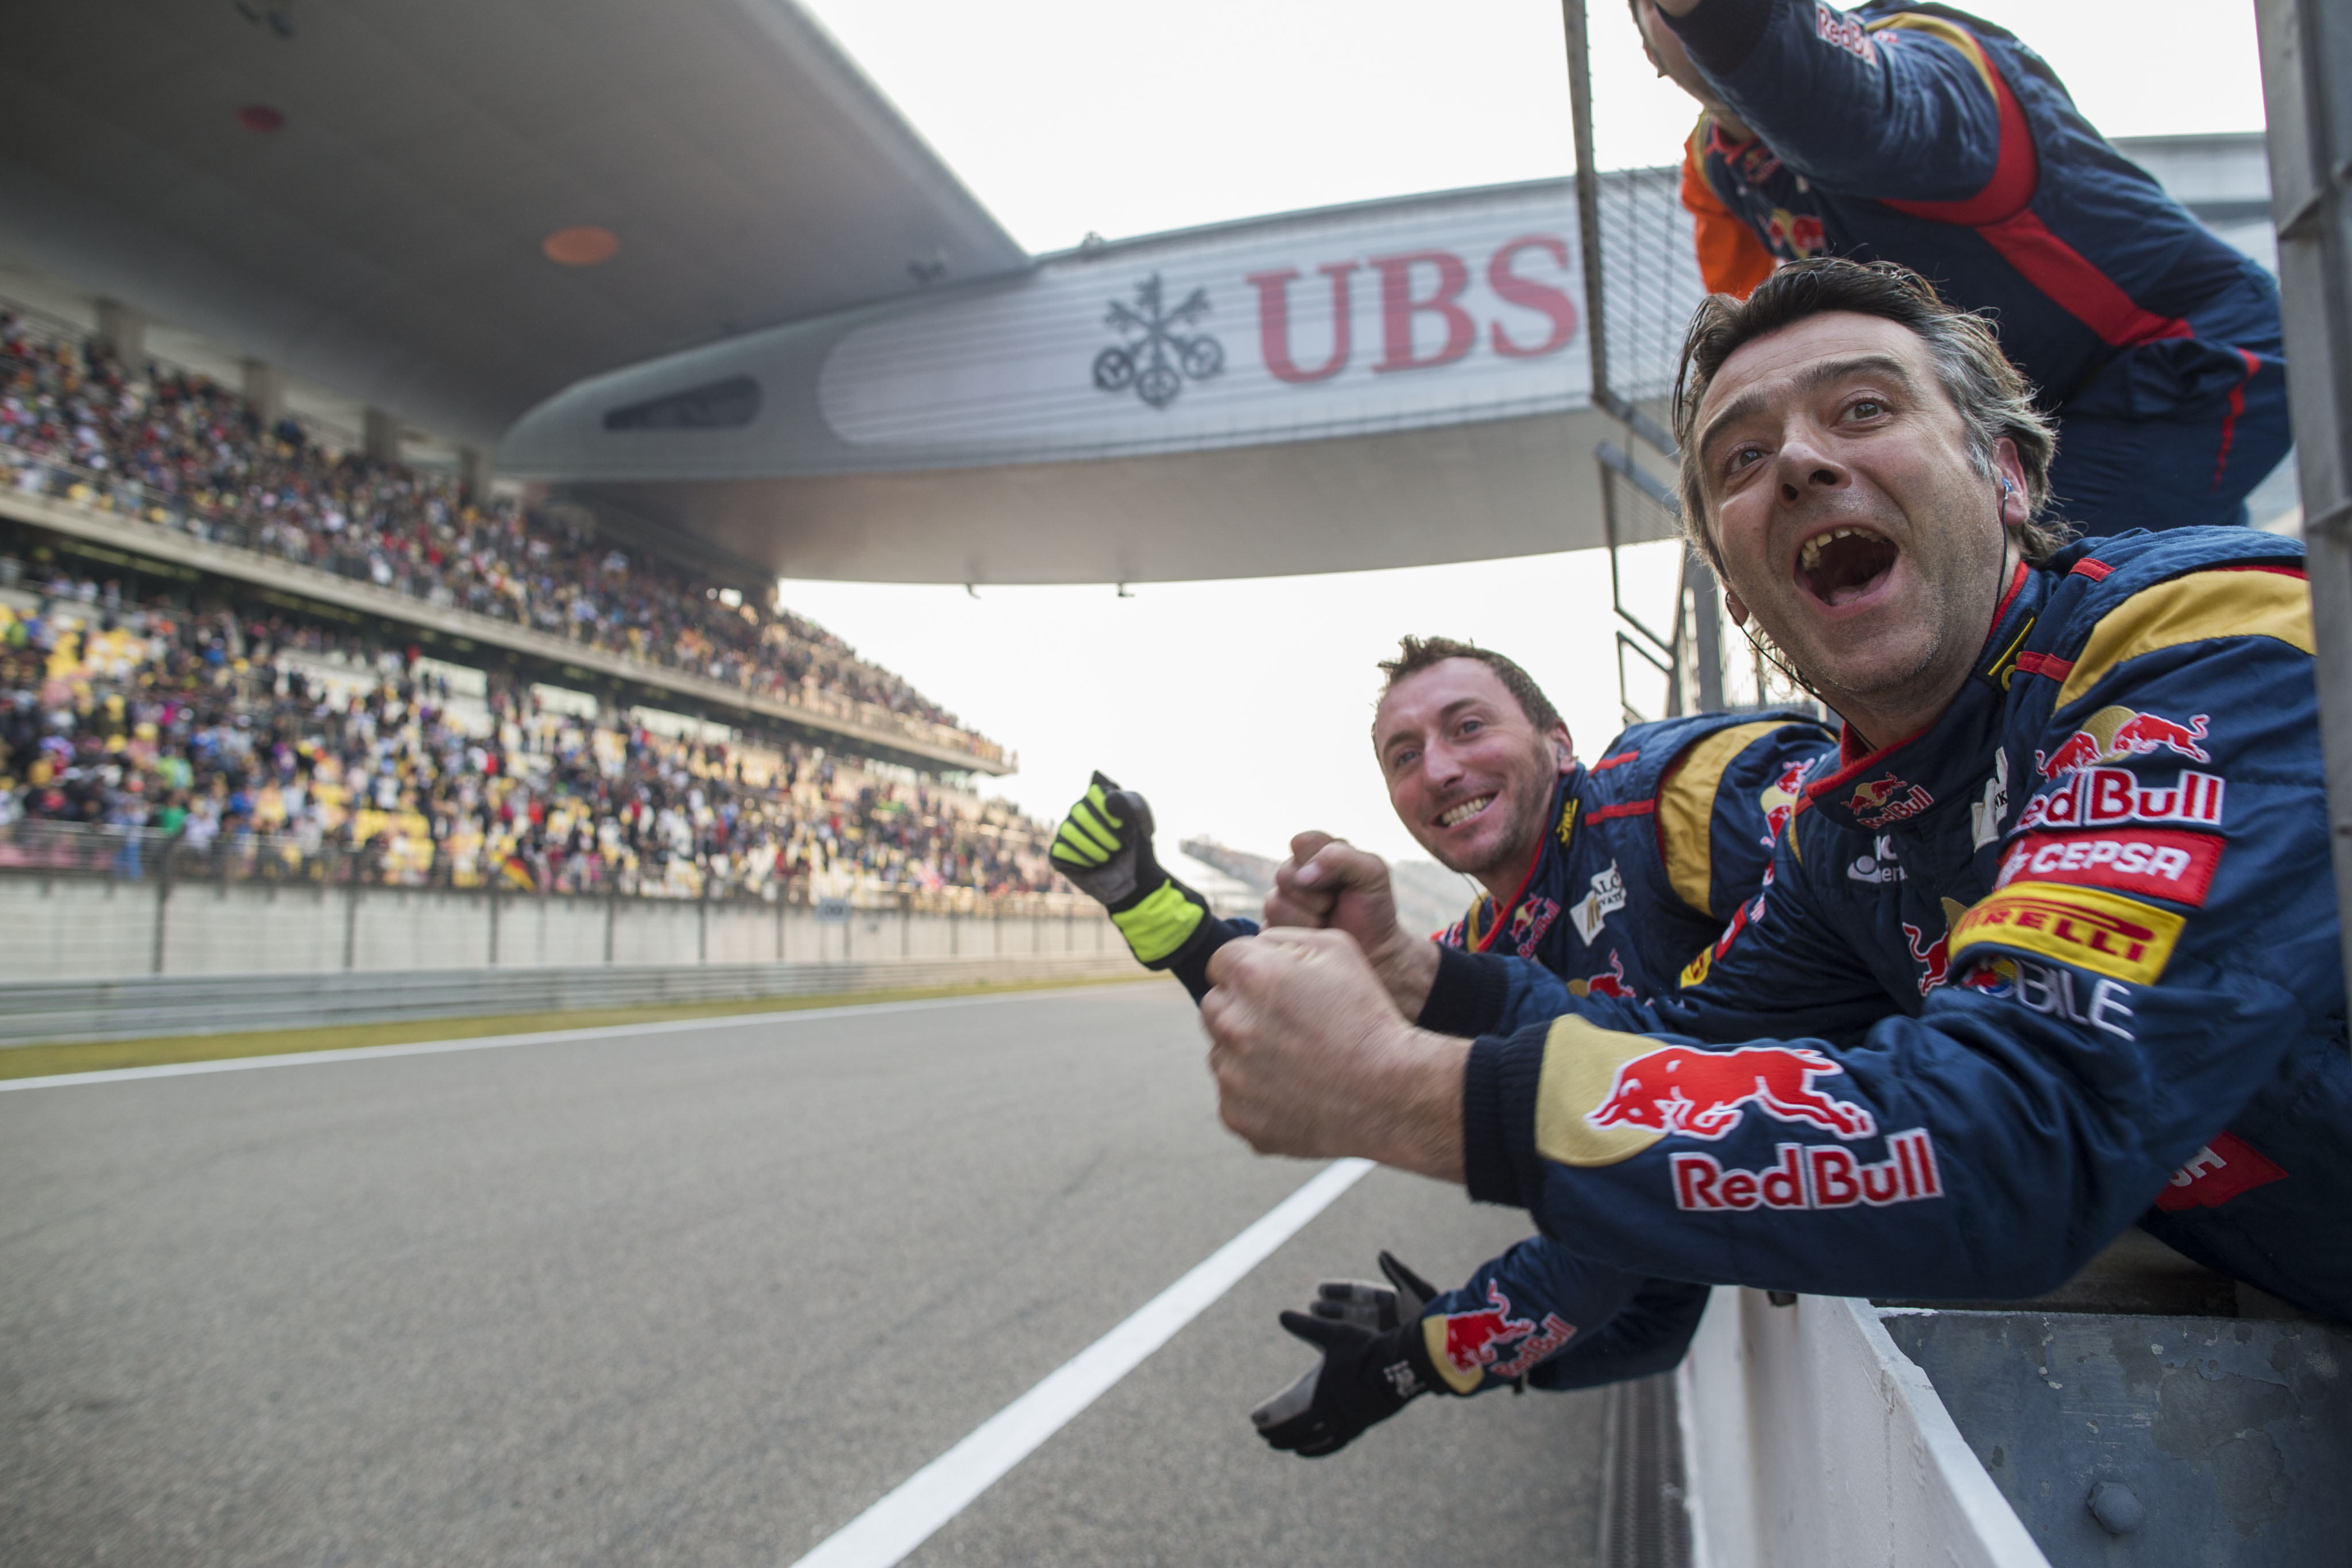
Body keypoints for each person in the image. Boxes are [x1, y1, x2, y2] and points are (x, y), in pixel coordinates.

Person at [1201, 258, 2348, 1328]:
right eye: (1740, 460)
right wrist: (1414, 976)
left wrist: (1409, 1094)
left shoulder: (2201, 641)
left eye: (1862, 409)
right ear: (1741, 597)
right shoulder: (1838, 835)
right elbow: (1680, 1050)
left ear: (2004, 475)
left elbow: (2029, 1129)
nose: (1797, 461)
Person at [1051, 642, 1831, 1453]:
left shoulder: (1680, 792)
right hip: (1768, 1193)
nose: (1439, 769)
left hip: (1897, 1170)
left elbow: (1637, 1181)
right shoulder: (1486, 941)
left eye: (1467, 727)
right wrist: (1144, 899)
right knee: (1633, 1292)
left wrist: (1411, 1359)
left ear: (1559, 743)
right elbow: (1296, 997)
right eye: (1404, 756)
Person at [1635, 0, 2287, 536]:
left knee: (2008, 571)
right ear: (1649, 55)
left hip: (2187, 357)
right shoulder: (1716, 166)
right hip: (2033, 411)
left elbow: (1839, 98)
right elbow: (1757, 346)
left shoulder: (1932, 60)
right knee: (2198, 598)